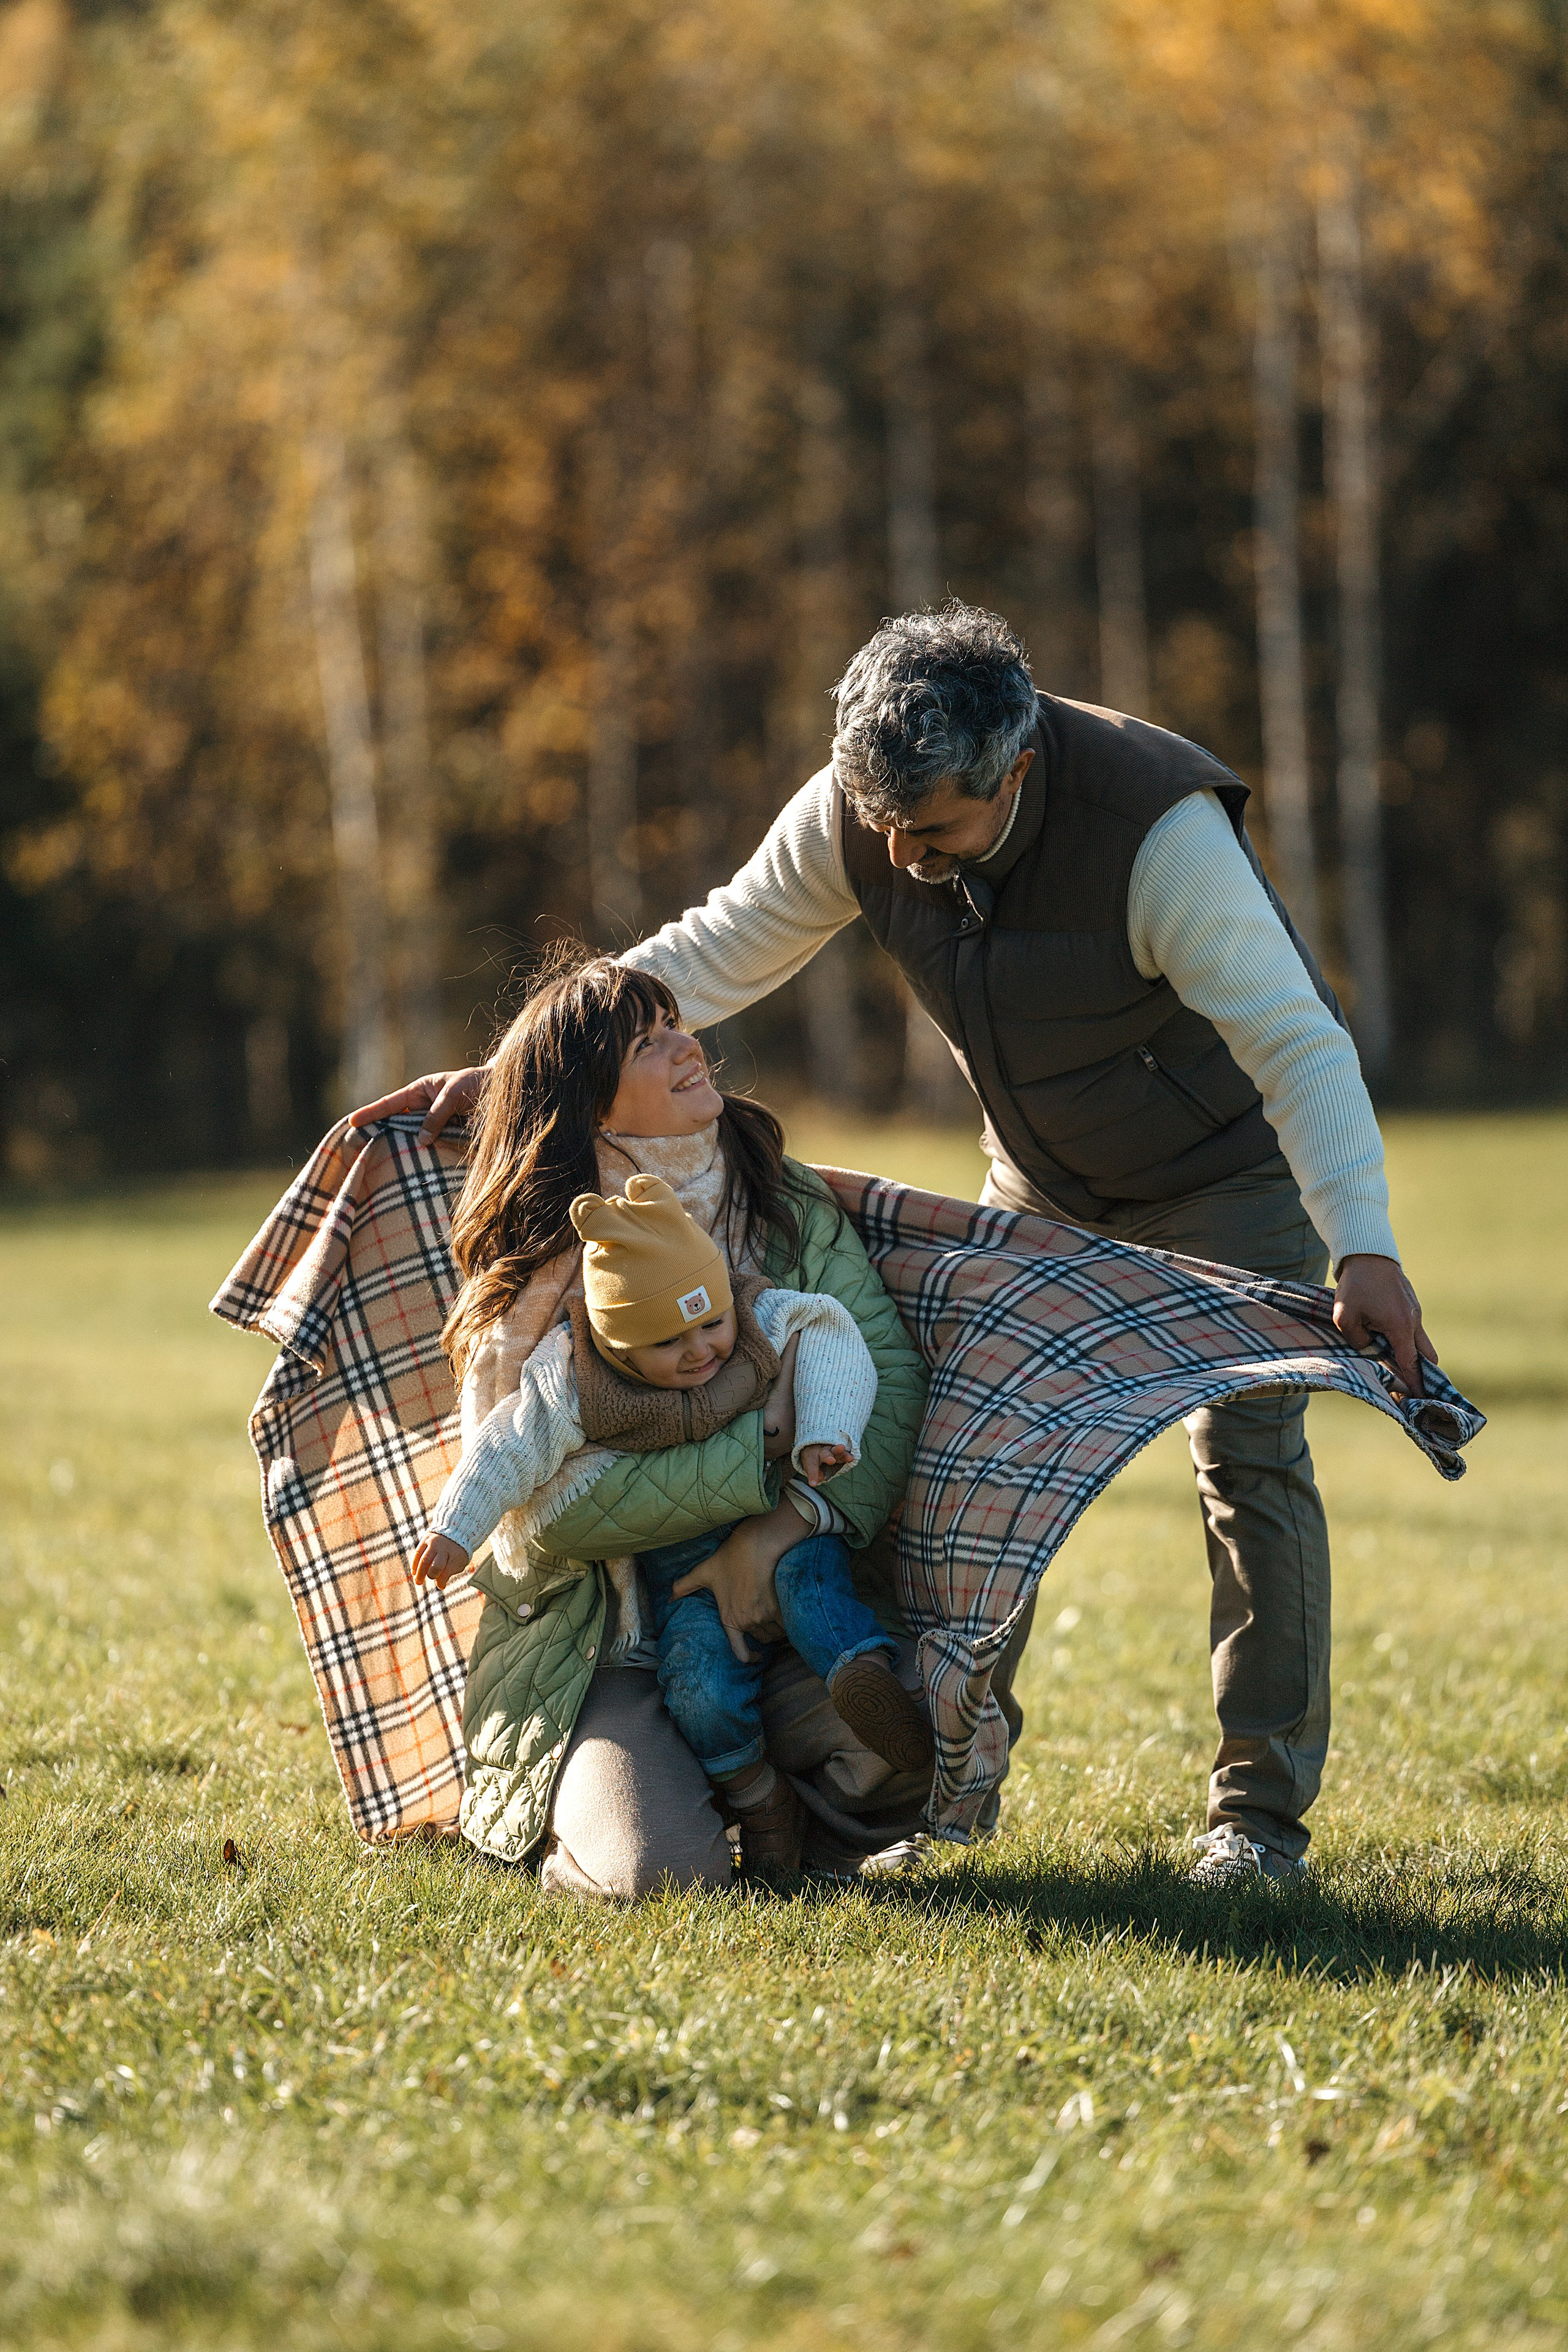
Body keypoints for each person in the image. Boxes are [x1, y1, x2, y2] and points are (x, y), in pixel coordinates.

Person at [358, 603, 1440, 1890]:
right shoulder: (865, 812)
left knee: (1246, 1461)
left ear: (1016, 767)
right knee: (971, 1462)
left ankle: (1253, 1822)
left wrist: (1359, 1247)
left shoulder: (1157, 835)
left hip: (1220, 1172)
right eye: (877, 824)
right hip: (1038, 1175)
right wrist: (521, 1066)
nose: (893, 851)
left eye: (927, 832)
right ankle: (933, 1784)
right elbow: (716, 948)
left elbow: (1293, 1039)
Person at [406, 949, 930, 1899]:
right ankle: (663, 1794)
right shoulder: (551, 1271)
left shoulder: (780, 1194)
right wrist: (761, 1441)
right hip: (605, 1637)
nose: (689, 1048)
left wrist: (773, 1536)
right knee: (653, 1875)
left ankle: (798, 1824)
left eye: (677, 1025)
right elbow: (551, 1514)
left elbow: (882, 1380)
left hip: (785, 1580)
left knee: (925, 1714)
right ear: (594, 1105)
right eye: (650, 1043)